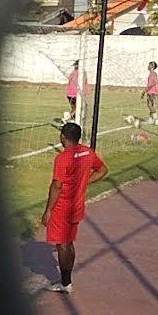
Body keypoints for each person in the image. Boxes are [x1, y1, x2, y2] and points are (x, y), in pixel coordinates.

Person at [41, 121, 107, 293]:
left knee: (62, 244)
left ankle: (65, 283)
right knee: (69, 242)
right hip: (77, 205)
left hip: (62, 206)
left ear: (62, 137)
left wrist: (48, 210)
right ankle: (66, 280)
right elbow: (102, 170)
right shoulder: (87, 152)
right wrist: (83, 183)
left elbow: (56, 185)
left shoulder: (62, 158)